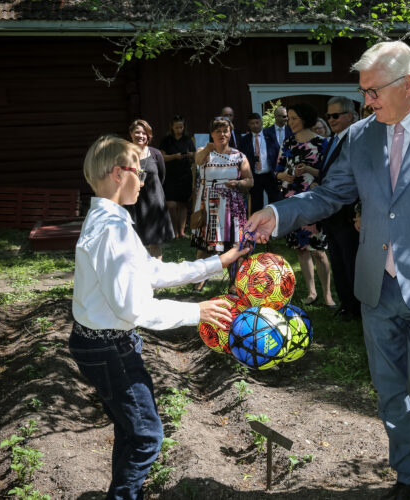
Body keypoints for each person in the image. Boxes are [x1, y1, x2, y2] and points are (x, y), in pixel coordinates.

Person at [247, 41, 410, 500]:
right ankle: (409, 475)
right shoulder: (360, 137)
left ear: (408, 83)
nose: (365, 101)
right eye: (363, 91)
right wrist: (278, 213)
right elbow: (330, 195)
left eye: (372, 91)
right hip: (375, 281)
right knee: (389, 388)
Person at [70, 135, 249, 500]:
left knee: (130, 429)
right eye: (139, 172)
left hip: (106, 345)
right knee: (146, 436)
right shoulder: (112, 229)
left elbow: (151, 272)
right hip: (109, 350)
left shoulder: (112, 219)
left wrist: (217, 263)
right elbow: (133, 308)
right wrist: (196, 311)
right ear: (119, 174)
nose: (145, 180)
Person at [275, 102, 336, 308]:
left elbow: (329, 173)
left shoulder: (323, 143)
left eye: (294, 118)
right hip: (293, 198)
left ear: (305, 119)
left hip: (315, 199)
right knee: (301, 248)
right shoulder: (288, 143)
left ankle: (327, 294)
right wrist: (284, 176)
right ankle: (312, 293)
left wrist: (309, 169)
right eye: (289, 118)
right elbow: (278, 170)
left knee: (319, 250)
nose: (290, 122)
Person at [191, 117, 253, 291]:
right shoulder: (203, 152)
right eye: (217, 130)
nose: (222, 134)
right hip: (208, 206)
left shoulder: (239, 156)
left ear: (230, 133)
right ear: (211, 133)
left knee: (235, 245)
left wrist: (238, 183)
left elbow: (250, 181)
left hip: (232, 206)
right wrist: (209, 148)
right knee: (204, 247)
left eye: (225, 130)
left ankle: (234, 283)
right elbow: (198, 161)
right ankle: (199, 280)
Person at [320, 96, 361, 320]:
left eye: (335, 115)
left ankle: (356, 308)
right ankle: (346, 305)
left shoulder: (356, 141)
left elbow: (359, 180)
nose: (331, 120)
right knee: (338, 262)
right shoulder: (334, 140)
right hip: (331, 214)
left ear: (351, 116)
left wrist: (358, 211)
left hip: (348, 215)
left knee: (351, 264)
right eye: (328, 116)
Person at [126, 119, 173, 259]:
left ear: (148, 135)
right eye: (137, 132)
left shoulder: (156, 154)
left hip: (154, 203)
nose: (140, 136)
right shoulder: (125, 154)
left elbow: (162, 176)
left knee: (155, 242)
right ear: (131, 134)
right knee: (134, 242)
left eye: (143, 133)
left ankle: (156, 273)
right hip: (133, 203)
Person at [159, 115, 196, 238]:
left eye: (181, 127)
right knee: (171, 205)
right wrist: (174, 156)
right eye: (177, 127)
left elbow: (195, 155)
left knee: (183, 204)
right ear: (172, 127)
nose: (179, 129)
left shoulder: (188, 140)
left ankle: (181, 232)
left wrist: (189, 154)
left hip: (185, 174)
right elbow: (162, 157)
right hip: (170, 175)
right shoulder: (166, 140)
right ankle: (173, 231)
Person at [238, 113, 282, 214]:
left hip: (270, 175)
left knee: (276, 201)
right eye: (252, 123)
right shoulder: (244, 140)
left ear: (261, 123)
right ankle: (256, 227)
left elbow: (277, 154)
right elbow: (241, 159)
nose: (255, 125)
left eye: (257, 122)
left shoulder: (270, 137)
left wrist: (279, 173)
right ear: (248, 125)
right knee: (256, 205)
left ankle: (276, 224)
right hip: (254, 176)